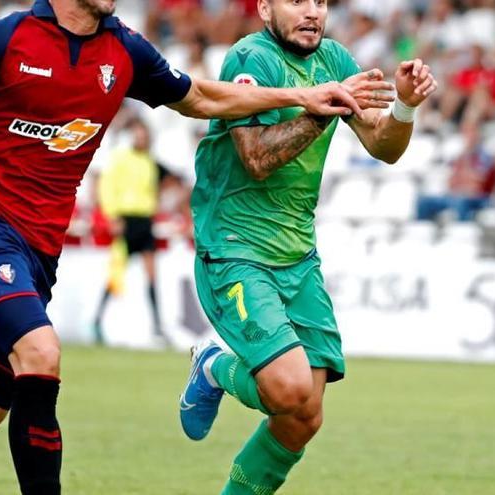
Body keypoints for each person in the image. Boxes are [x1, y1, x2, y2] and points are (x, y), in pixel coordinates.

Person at [0, 0, 368, 493]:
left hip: (39, 249)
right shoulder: (5, 38)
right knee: (41, 353)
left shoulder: (124, 50)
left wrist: (302, 98)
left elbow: (205, 100)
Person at [177, 0, 437, 493]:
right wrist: (322, 110)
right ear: (264, 8)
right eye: (296, 1)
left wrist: (403, 105)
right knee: (289, 388)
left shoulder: (336, 60)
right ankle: (214, 366)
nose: (312, 11)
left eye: (319, 1)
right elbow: (254, 158)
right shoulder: (250, 58)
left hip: (297, 255)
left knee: (304, 417)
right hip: (235, 247)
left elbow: (384, 147)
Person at [92, 119, 167, 345]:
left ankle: (157, 326)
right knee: (116, 274)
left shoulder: (150, 162)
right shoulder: (120, 159)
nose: (140, 139)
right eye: (137, 135)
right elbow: (107, 186)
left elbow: (155, 189)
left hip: (144, 221)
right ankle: (97, 321)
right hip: (125, 221)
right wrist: (112, 216)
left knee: (152, 274)